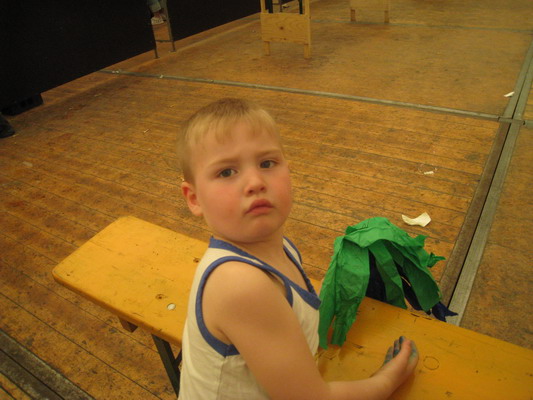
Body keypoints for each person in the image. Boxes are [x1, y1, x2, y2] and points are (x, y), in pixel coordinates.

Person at [177, 98, 419, 399]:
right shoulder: (239, 285)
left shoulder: (282, 248)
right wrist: (387, 380)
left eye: (267, 163)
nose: (255, 182)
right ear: (194, 198)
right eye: (226, 172)